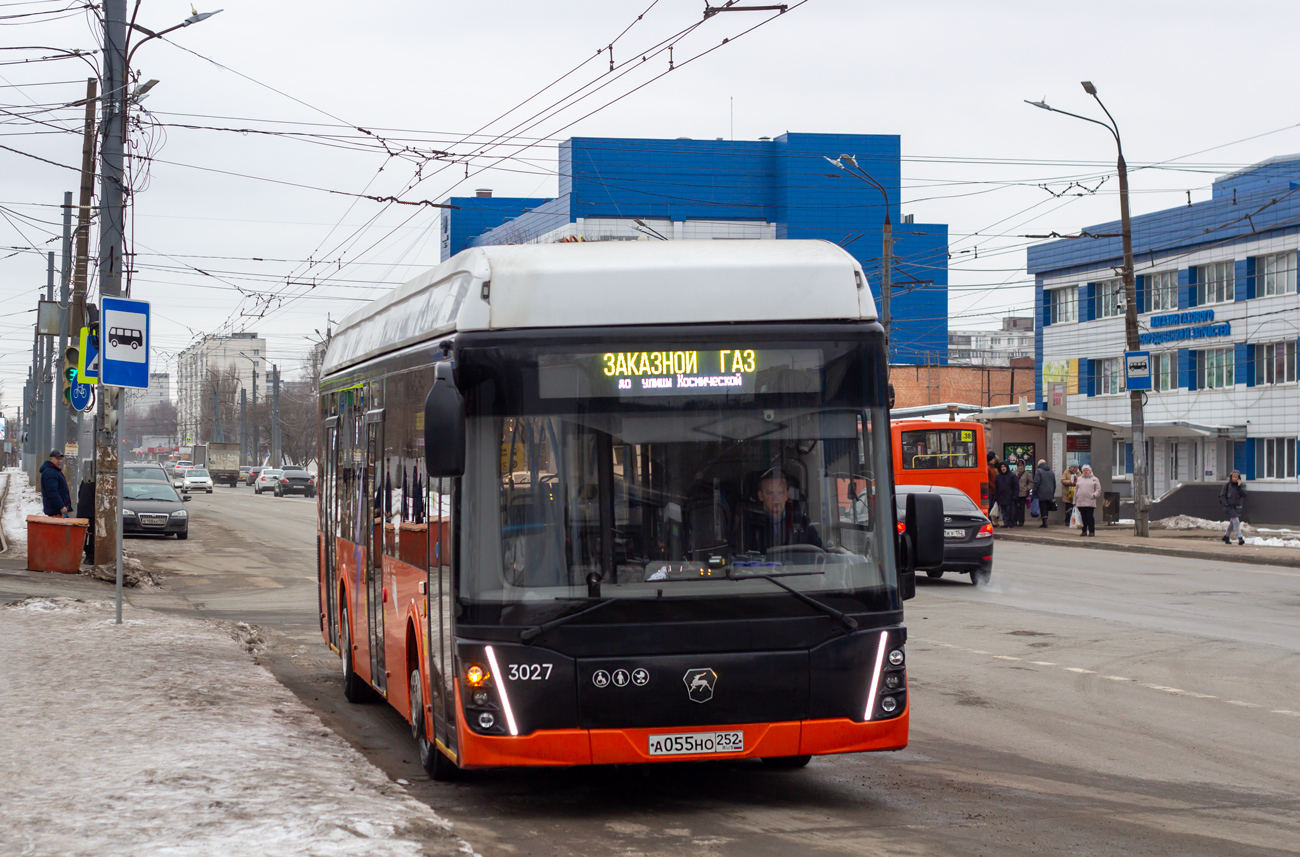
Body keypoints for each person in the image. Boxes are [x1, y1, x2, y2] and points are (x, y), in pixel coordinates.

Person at [737, 470, 823, 551]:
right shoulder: (747, 524)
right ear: (761, 496)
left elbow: (821, 553)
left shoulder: (803, 523)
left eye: (780, 492)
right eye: (770, 493)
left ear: (787, 495)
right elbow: (737, 554)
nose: (775, 498)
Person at [40, 450, 73, 518]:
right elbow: (52, 492)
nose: (59, 461)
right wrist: (61, 506)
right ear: (50, 459)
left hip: (58, 510)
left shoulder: (54, 471)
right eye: (57, 459)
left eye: (60, 459)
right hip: (56, 510)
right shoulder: (50, 472)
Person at [1219, 470, 1247, 546]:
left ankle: (1226, 536)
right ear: (1231, 477)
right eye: (1233, 477)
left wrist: (1239, 486)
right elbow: (1222, 496)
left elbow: (1244, 494)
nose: (1234, 478)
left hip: (1237, 507)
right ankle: (1240, 538)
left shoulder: (1241, 485)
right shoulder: (1227, 485)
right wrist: (1225, 503)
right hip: (1228, 507)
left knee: (1232, 523)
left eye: (1236, 477)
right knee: (1236, 521)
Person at [1073, 464, 1102, 537]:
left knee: (1090, 516)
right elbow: (1076, 490)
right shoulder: (1079, 479)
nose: (1085, 472)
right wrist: (1074, 500)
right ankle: (1084, 531)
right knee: (1083, 517)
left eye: (1087, 470)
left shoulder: (1095, 479)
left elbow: (1098, 489)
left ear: (1090, 471)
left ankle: (1091, 531)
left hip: (1090, 501)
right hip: (1080, 501)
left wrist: (1094, 495)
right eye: (1084, 470)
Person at [993, 462, 1019, 529]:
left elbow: (1016, 487)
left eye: (1004, 467)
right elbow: (996, 487)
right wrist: (995, 496)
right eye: (1001, 467)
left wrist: (1015, 496)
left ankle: (1010, 523)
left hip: (1010, 497)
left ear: (1007, 467)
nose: (1003, 468)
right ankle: (1006, 523)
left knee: (1010, 511)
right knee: (1004, 511)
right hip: (1001, 497)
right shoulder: (998, 476)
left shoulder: (1012, 476)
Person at [1032, 459, 1057, 528]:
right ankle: (1045, 520)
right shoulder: (1051, 472)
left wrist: (1034, 492)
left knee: (1042, 507)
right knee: (1046, 507)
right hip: (1049, 492)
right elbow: (1054, 483)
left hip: (1041, 492)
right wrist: (1052, 492)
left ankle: (1044, 522)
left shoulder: (1039, 471)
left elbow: (1036, 482)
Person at [1015, 462, 1032, 527]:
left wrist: (1027, 488)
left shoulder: (1026, 474)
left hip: (1023, 493)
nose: (1020, 467)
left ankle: (1021, 521)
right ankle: (1015, 520)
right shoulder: (1014, 472)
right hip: (1015, 493)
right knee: (1015, 508)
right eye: (1019, 465)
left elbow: (1031, 482)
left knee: (1021, 508)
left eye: (1021, 465)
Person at [985, 451, 1001, 516]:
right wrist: (991, 486)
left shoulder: (992, 468)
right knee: (991, 506)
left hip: (993, 490)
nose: (994, 460)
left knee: (992, 506)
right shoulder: (989, 468)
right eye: (992, 459)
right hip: (990, 490)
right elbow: (988, 479)